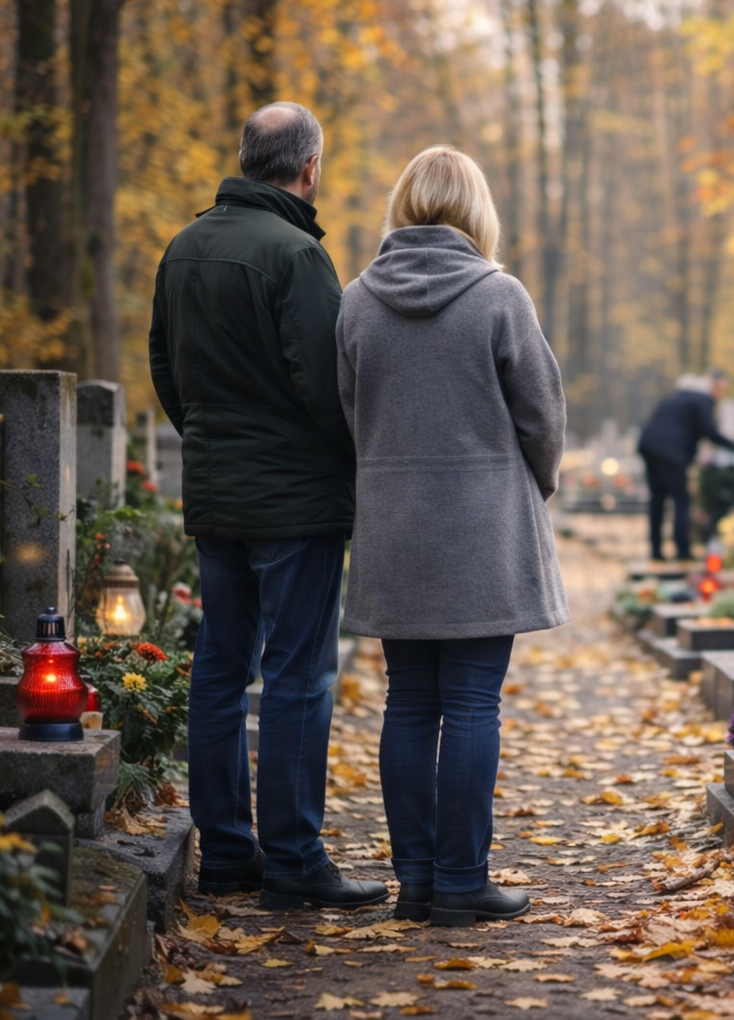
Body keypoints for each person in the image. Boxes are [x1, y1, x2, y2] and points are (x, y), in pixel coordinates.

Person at [149, 102, 386, 910]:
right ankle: (294, 859)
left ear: (247, 158)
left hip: (217, 496)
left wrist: (210, 441)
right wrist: (348, 462)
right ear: (308, 167)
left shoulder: (182, 247)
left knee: (219, 669)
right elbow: (328, 386)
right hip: (295, 504)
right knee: (296, 675)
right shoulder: (297, 255)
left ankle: (226, 853)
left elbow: (165, 368)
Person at [337, 146, 568, 927]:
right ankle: (463, 880)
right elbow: (542, 414)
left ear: (402, 204)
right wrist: (537, 479)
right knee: (471, 704)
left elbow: (348, 412)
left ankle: (415, 882)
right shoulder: (500, 297)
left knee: (409, 705)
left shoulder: (357, 301)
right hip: (482, 531)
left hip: (394, 530)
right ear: (476, 210)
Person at [637, 370, 734, 561]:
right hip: (670, 452)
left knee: (657, 501)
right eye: (720, 388)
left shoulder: (679, 396)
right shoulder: (702, 399)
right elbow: (708, 430)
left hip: (649, 446)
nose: (720, 393)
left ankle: (656, 552)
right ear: (713, 385)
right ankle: (682, 551)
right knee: (681, 501)